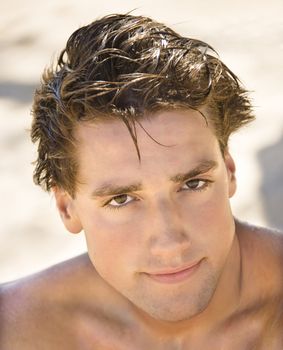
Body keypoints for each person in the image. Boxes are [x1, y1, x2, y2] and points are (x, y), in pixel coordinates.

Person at [1, 13, 283, 350]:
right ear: (66, 207)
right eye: (121, 199)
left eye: (192, 184)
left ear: (229, 171)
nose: (170, 241)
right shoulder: (17, 332)